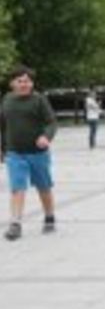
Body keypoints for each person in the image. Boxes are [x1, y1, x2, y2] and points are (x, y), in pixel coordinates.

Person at [0, 66, 59, 241]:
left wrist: (46, 137)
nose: (24, 84)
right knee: (17, 188)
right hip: (15, 153)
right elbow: (3, 127)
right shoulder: (6, 100)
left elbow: (51, 122)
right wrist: (2, 148)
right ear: (12, 83)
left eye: (27, 81)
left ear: (32, 83)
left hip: (37, 153)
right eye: (20, 81)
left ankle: (49, 217)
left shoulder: (39, 100)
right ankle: (15, 223)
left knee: (44, 187)